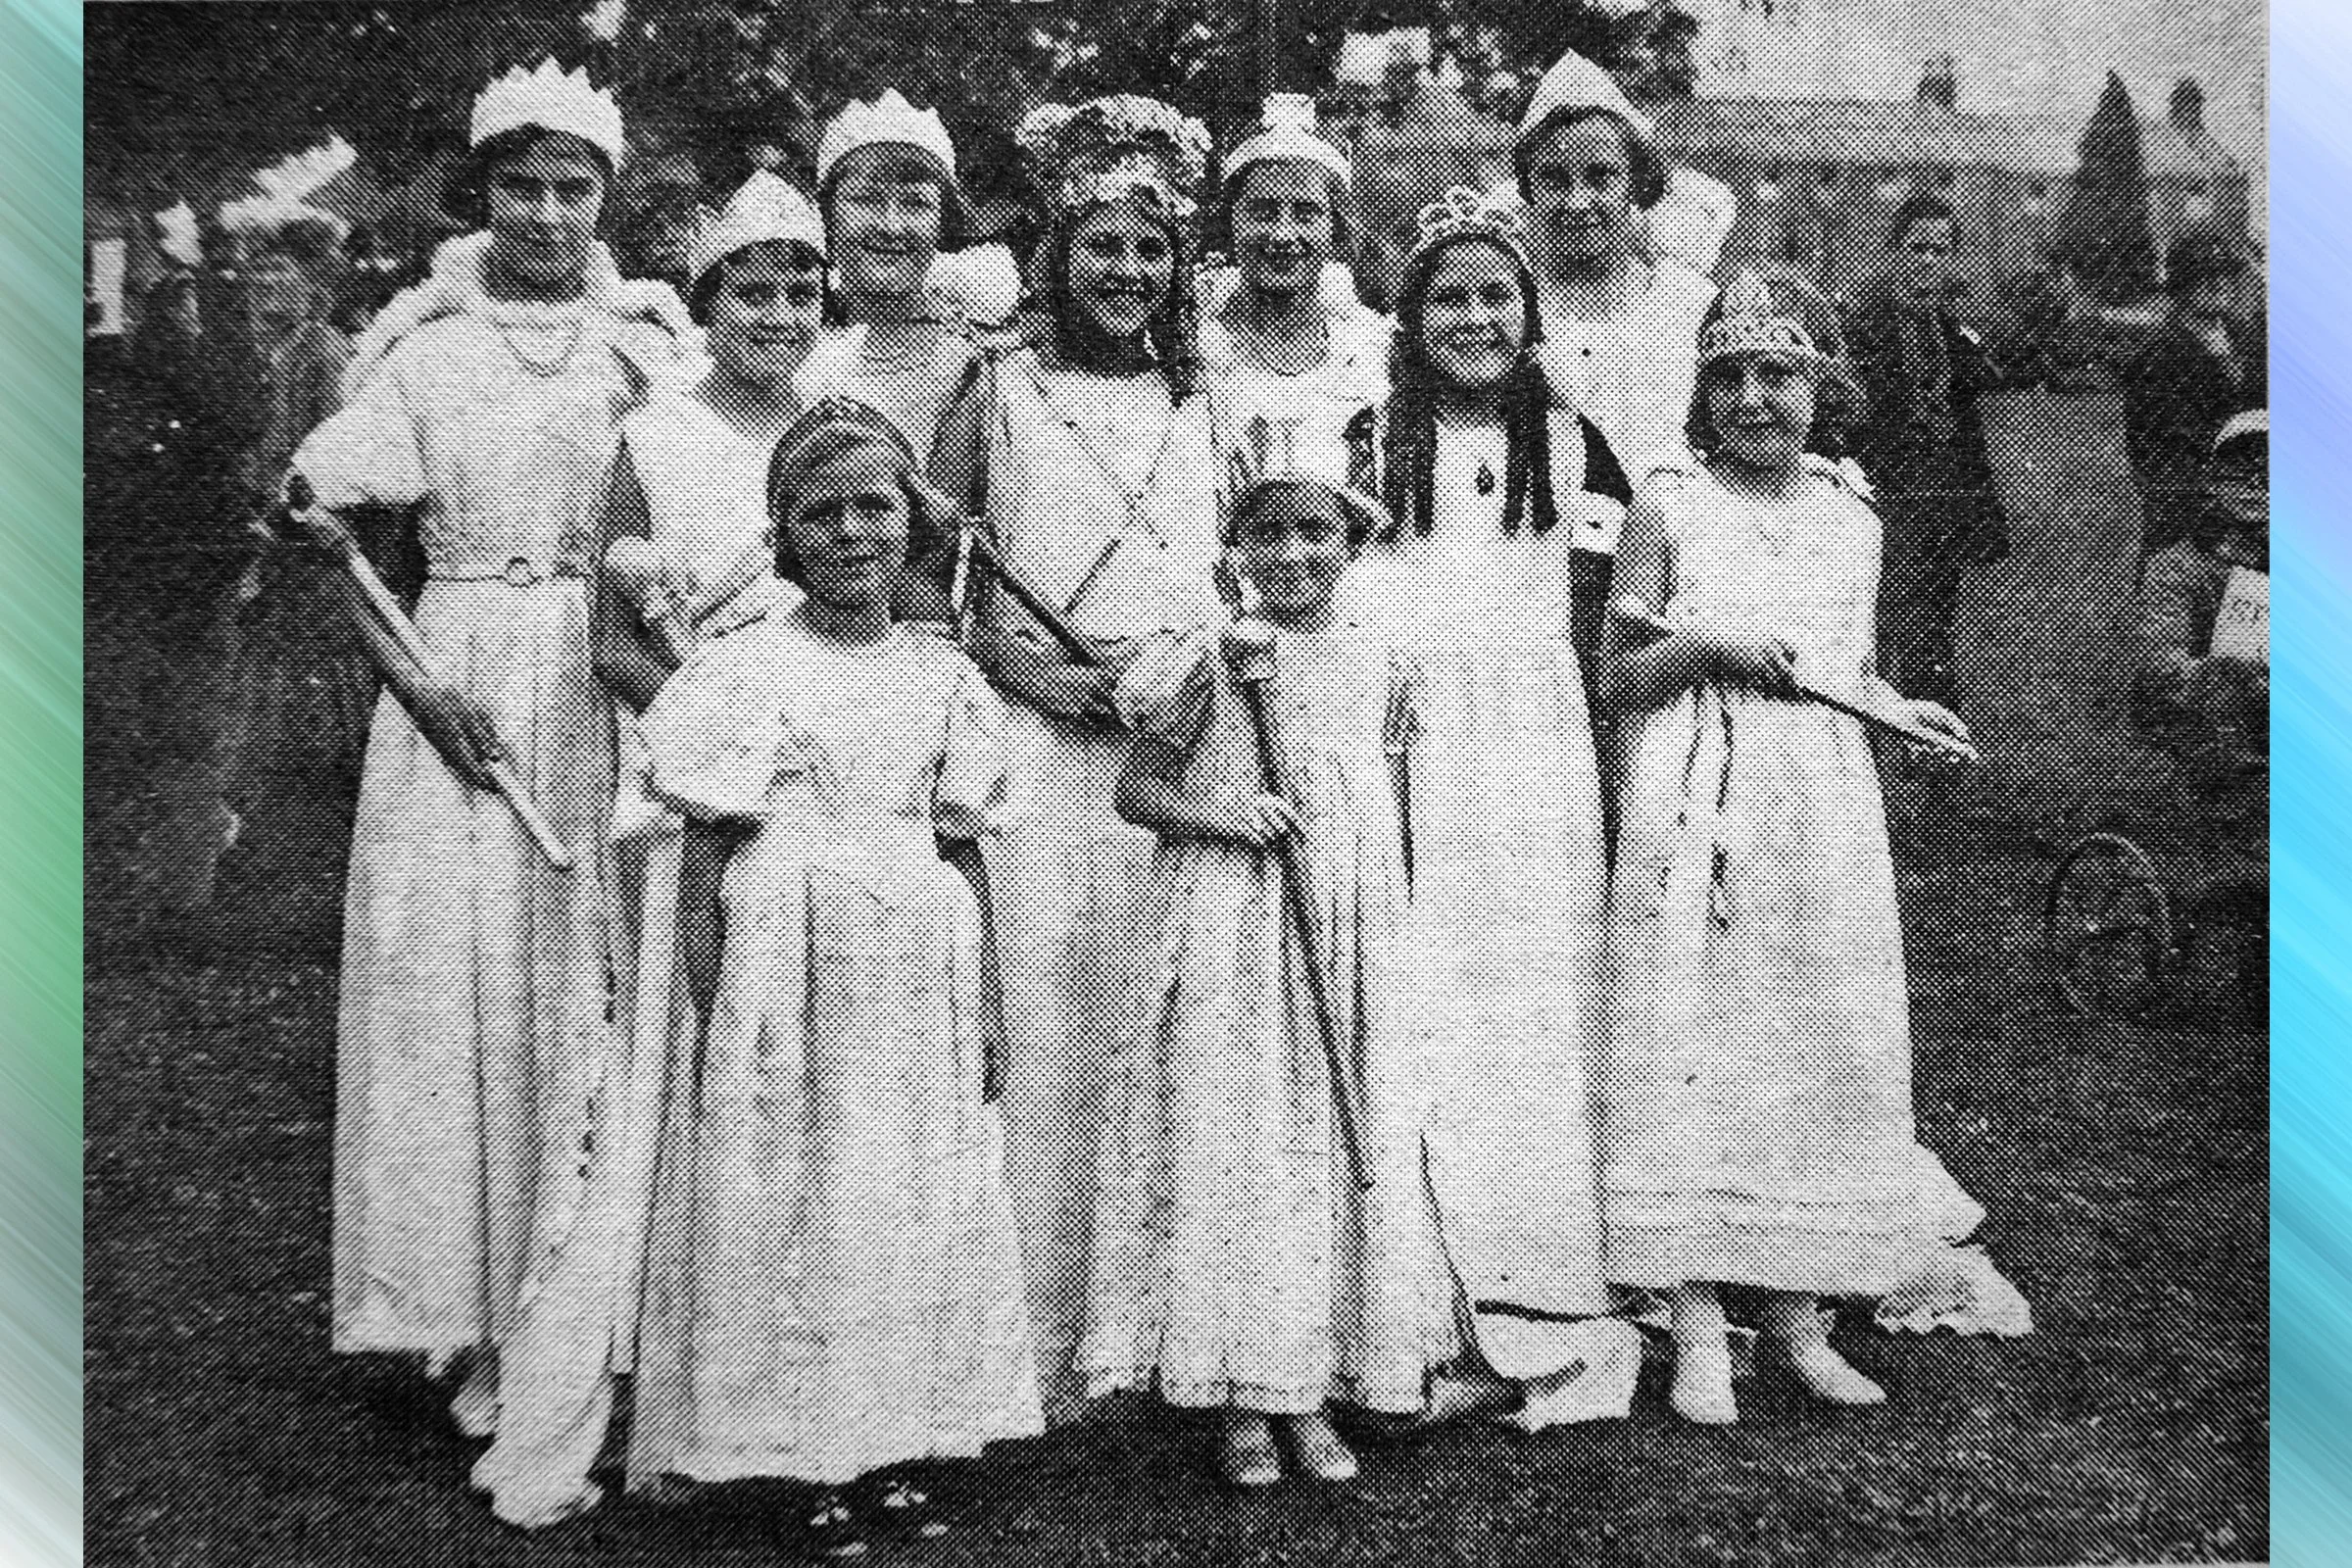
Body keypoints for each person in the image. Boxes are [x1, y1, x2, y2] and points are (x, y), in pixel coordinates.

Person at [288, 59, 688, 1442]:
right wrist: (420, 687)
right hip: (461, 684)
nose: (543, 213)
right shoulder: (423, 349)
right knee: (465, 982)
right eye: (519, 186)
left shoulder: (649, 345)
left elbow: (696, 504)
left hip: (606, 679)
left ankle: (591, 1302)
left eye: (570, 187)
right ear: (482, 195)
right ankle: (467, 1308)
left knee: (602, 985)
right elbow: (341, 546)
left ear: (603, 199)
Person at [1596, 272, 2028, 1426]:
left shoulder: (1853, 517)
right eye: (1728, 376)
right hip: (1695, 802)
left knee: (1810, 1038)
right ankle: (1694, 1316)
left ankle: (1796, 1311)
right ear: (1701, 392)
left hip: (1818, 810)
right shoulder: (1668, 508)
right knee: (1695, 1034)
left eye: (1777, 375)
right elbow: (1615, 674)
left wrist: (1905, 710)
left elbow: (1845, 669)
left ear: (1821, 388)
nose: (1753, 399)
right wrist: (1706, 651)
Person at [468, 171, 831, 1529]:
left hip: (823, 796)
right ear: (711, 302)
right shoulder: (659, 436)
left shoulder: (845, 433)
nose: (779, 314)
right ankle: (631, 1388)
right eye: (754, 290)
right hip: (693, 790)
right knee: (672, 1064)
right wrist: (717, 727)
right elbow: (613, 638)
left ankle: (790, 1390)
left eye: (802, 291)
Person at [619, 400, 1041, 1554]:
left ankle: (900, 1432)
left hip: (919, 963)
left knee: (905, 1200)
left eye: (876, 509)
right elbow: (705, 859)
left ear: (912, 526)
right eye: (823, 514)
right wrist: (718, 1016)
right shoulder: (742, 669)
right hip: (786, 967)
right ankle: (802, 1448)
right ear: (782, 533)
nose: (852, 533)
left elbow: (963, 844)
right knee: (800, 1200)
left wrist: (991, 1003)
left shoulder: (944, 674)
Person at [1078, 449, 1461, 1488]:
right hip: (1237, 926)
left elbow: (1392, 800)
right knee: (1246, 1141)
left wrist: (1391, 916)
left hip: (1347, 922)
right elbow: (1140, 790)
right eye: (1267, 535)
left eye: (1315, 533)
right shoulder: (1214, 655)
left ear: (1352, 544)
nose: (1291, 554)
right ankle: (1244, 1395)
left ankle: (1320, 1377)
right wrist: (1226, 815)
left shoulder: (1384, 657)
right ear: (1236, 550)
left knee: (1335, 1143)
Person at [929, 92, 1226, 1423]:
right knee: (1044, 1032)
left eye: (1151, 251)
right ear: (1060, 251)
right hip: (1043, 749)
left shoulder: (1200, 396)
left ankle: (1161, 1334)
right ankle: (1034, 1341)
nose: (1127, 272)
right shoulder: (996, 387)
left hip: (1169, 752)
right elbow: (945, 585)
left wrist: (1175, 680)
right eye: (1103, 245)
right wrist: (1039, 673)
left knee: (1160, 1026)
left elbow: (1231, 575)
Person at [1346, 188, 1642, 1434]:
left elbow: (1604, 623)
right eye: (1448, 298)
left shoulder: (1577, 447)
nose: (1474, 318)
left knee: (1535, 1006)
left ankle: (1541, 1274)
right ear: (1409, 321)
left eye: (1495, 296)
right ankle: (1427, 1284)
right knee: (1423, 1002)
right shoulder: (1369, 443)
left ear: (1529, 314)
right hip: (1409, 744)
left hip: (1534, 756)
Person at [1844, 195, 2009, 804]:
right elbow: (1850, 414)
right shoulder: (1865, 323)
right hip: (1883, 497)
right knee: (1878, 623)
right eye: (1918, 249)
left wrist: (1977, 509)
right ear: (1894, 252)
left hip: (1938, 504)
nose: (1928, 262)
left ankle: (1931, 758)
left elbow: (1970, 423)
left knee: (1934, 628)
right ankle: (1866, 756)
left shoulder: (1950, 333)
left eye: (1942, 251)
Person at [1198, 93, 1391, 482]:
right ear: (1230, 224)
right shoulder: (1198, 348)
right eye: (1262, 212)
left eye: (1306, 213)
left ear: (1334, 228)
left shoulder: (1373, 348)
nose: (1283, 235)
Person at [794, 90, 981, 461]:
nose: (891, 226)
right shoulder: (787, 343)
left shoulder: (972, 355)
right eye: (866, 199)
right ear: (828, 214)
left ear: (943, 221)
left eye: (915, 203)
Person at [2136, 410, 2268, 877]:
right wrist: (2237, 674)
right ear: (2212, 481)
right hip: (2213, 720)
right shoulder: (2177, 567)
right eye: (2240, 467)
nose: (2256, 481)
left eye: (2271, 469)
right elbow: (2162, 665)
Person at [2126, 230, 2265, 560]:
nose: (2221, 285)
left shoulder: (2248, 341)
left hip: (2255, 511)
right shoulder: (2158, 355)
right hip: (2190, 521)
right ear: (2181, 285)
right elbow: (2169, 449)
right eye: (2205, 276)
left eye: (2228, 274)